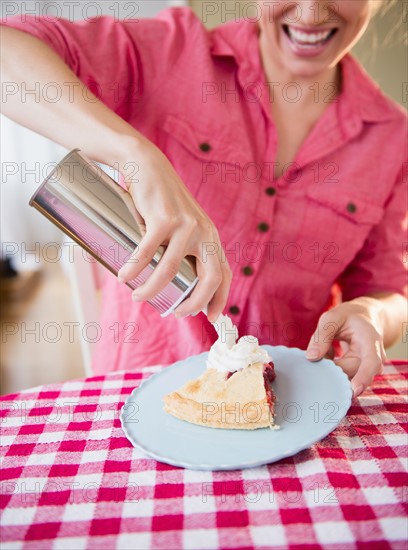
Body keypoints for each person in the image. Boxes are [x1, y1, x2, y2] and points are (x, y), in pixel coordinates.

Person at [1, 1, 406, 397]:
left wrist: (374, 313)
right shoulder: (171, 53)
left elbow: (389, 289)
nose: (311, 11)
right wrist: (133, 154)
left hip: (285, 402)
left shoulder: (393, 138)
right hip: (142, 392)